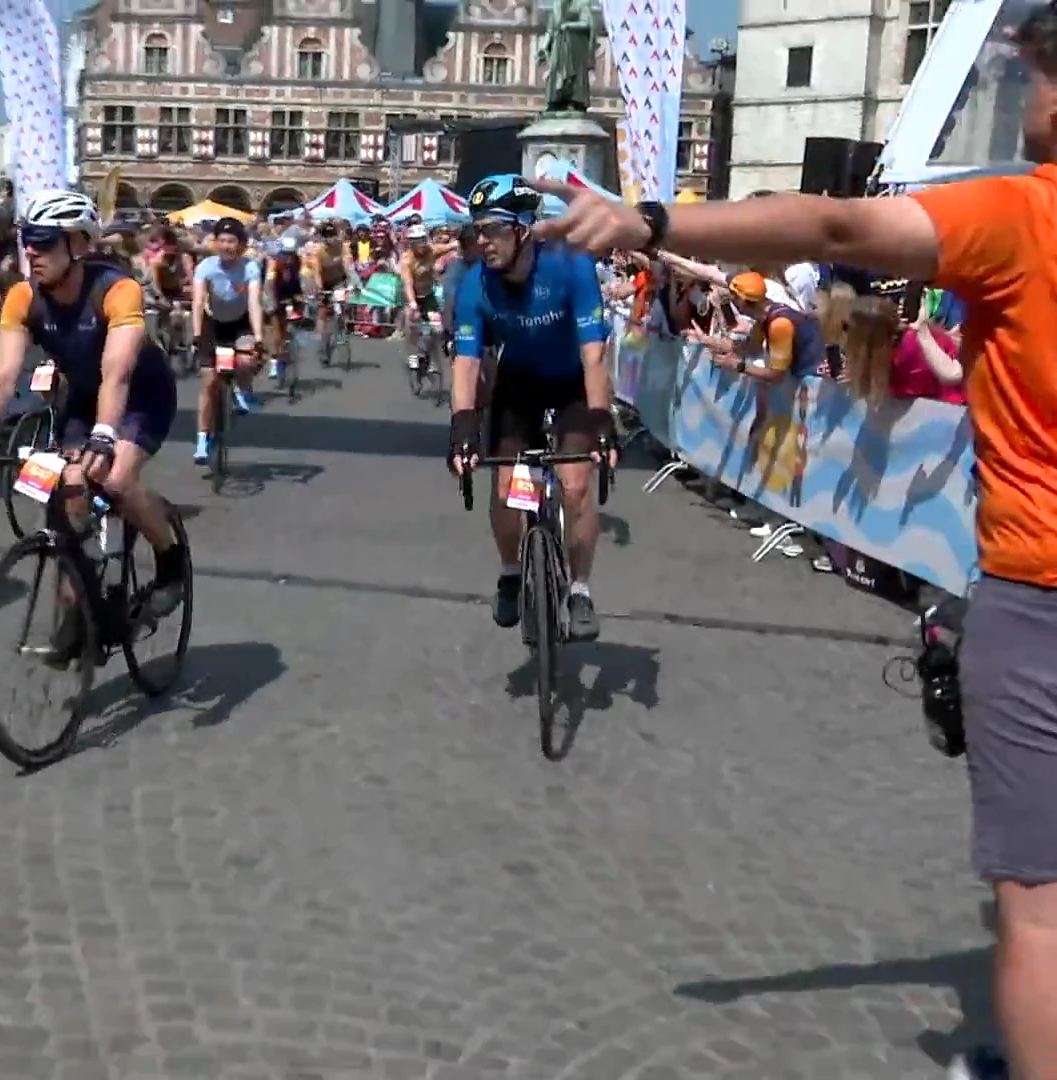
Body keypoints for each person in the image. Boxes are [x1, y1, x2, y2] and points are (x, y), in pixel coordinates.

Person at [537, 9, 1057, 1067]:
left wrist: (648, 220)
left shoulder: (1021, 215)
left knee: (1040, 904)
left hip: (1040, 590)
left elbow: (833, 229)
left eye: (1041, 79)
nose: (1030, 103)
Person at [0, 189, 185, 665]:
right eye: (27, 239)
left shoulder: (116, 290)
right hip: (84, 399)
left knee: (113, 480)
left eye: (45, 241)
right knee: (63, 496)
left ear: (79, 245)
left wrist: (105, 435)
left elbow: (118, 371)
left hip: (141, 396)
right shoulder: (22, 298)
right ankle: (79, 608)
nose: (31, 250)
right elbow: (2, 378)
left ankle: (170, 558)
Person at [446, 174, 614, 642]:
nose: (482, 241)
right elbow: (465, 361)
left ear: (523, 228)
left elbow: (594, 354)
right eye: (477, 230)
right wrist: (463, 424)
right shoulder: (476, 283)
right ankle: (510, 570)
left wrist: (601, 420)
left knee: (575, 484)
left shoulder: (570, 266)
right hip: (517, 385)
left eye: (492, 229)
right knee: (507, 488)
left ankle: (579, 589)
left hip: (572, 385)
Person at [189, 218, 265, 465]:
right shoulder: (206, 267)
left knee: (245, 360)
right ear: (215, 243)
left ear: (241, 244)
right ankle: (202, 439)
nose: (226, 245)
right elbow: (198, 302)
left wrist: (259, 337)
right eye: (221, 240)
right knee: (209, 382)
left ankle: (242, 388)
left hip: (240, 322)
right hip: (213, 324)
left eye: (231, 241)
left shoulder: (250, 267)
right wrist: (197, 334)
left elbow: (254, 303)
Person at [265, 234, 306, 376]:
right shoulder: (274, 262)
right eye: (286, 254)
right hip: (275, 292)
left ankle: (293, 334)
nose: (288, 258)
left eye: (291, 254)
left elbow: (299, 279)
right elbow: (269, 284)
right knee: (276, 332)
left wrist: (302, 295)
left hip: (290, 289)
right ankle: (274, 362)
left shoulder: (297, 261)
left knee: (301, 306)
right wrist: (273, 302)